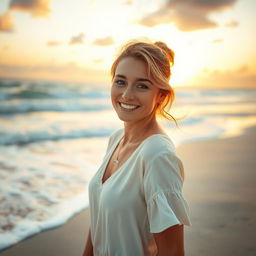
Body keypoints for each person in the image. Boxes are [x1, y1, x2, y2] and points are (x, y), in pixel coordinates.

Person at [82, 39, 191, 256]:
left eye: (142, 85)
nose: (127, 95)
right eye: (120, 82)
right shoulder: (116, 139)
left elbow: (173, 251)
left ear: (160, 95)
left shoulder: (157, 155)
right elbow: (99, 221)